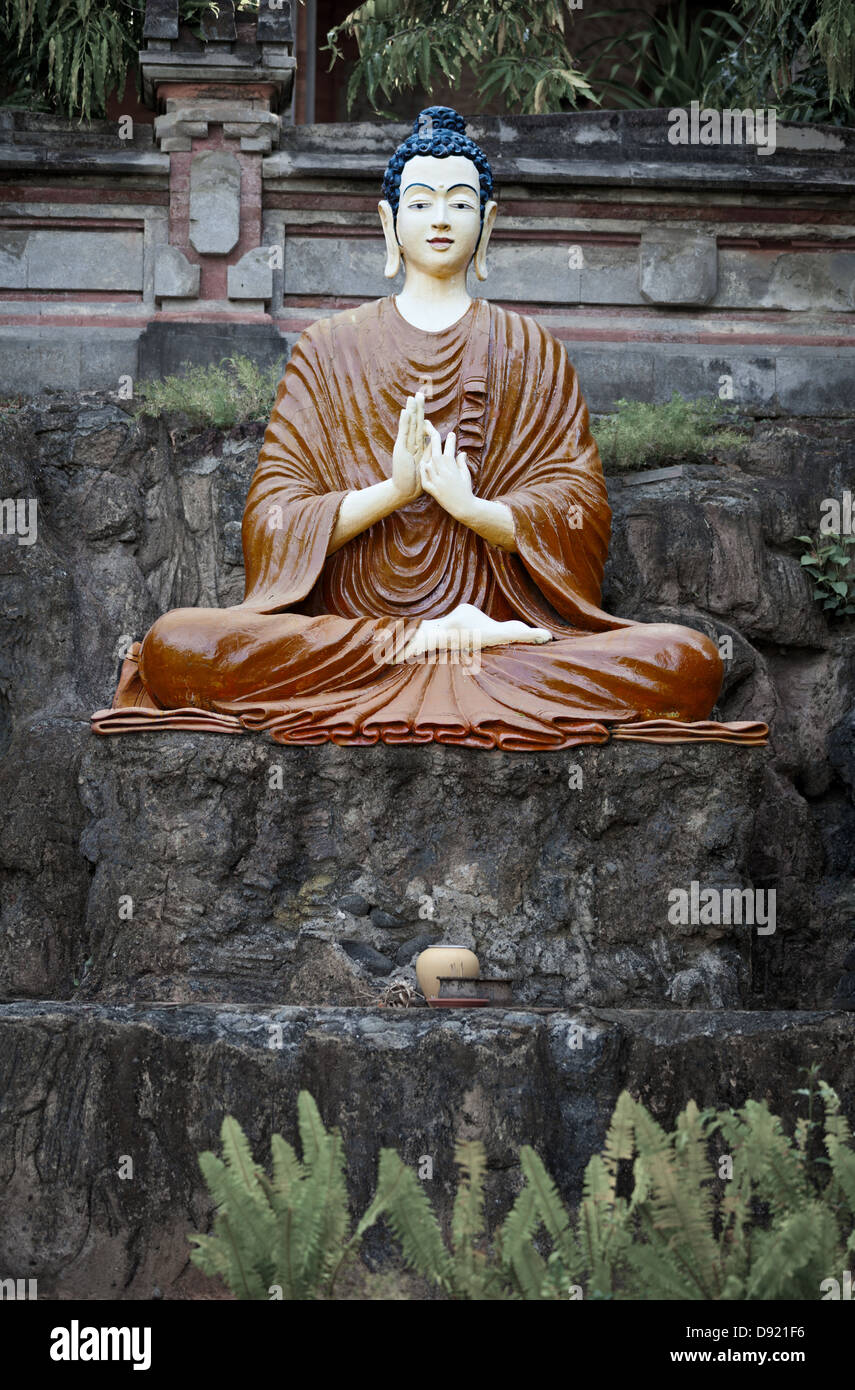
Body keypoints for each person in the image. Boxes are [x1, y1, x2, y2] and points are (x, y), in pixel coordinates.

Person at [94, 107, 767, 751]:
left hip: (500, 635)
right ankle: (424, 643)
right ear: (388, 223)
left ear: (488, 222)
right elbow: (272, 516)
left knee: (685, 660)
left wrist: (476, 511)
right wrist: (392, 490)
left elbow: (579, 509)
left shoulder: (530, 349)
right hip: (358, 640)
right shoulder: (327, 349)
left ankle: (458, 643)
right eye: (419, 202)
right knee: (178, 646)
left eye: (458, 202)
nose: (440, 218)